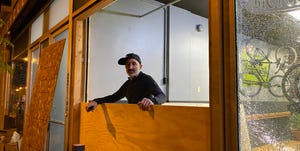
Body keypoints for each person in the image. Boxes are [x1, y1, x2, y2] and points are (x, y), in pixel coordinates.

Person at [86, 53, 166, 111]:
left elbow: (162, 97)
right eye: (127, 65)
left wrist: (152, 101)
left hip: (146, 122)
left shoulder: (147, 79)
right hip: (132, 119)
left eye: (134, 64)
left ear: (140, 66)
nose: (130, 67)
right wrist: (96, 101)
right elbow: (113, 97)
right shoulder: (128, 84)